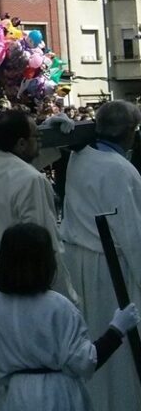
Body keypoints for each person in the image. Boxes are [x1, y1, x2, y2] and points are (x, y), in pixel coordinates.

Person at [0, 109, 76, 411]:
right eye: (37, 136)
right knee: (20, 374)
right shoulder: (31, 179)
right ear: (22, 144)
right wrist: (63, 297)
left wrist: (51, 142)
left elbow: (18, 168)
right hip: (11, 289)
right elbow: (43, 243)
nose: (39, 142)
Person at [0, 223, 140, 411]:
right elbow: (84, 362)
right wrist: (117, 329)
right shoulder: (58, 306)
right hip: (57, 396)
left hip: (16, 396)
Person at [60, 100, 141, 411]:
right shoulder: (121, 170)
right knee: (117, 349)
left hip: (78, 260)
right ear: (129, 132)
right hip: (110, 270)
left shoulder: (80, 157)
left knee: (91, 335)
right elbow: (133, 235)